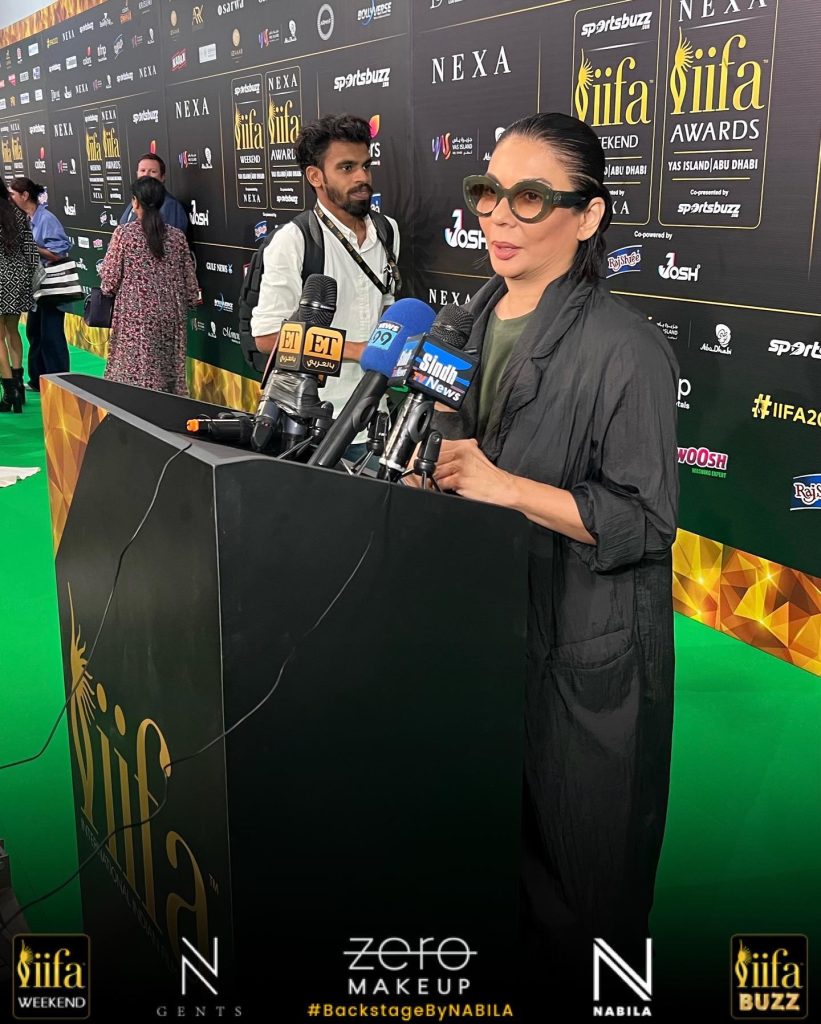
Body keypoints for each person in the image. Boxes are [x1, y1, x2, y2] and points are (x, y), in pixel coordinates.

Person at [428, 113, 678, 1006]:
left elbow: (646, 524)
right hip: (485, 637)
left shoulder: (628, 350)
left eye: (528, 197)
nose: (498, 214)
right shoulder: (460, 325)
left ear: (587, 216)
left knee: (586, 898)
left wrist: (503, 486)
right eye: (488, 192)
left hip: (590, 655)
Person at [251, 113, 400, 456]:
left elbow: (386, 301)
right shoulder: (294, 241)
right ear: (315, 176)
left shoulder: (388, 231)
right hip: (313, 423)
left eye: (366, 165)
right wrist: (359, 351)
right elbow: (268, 337)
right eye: (347, 168)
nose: (363, 178)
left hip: (375, 417)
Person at [100, 176, 199, 395]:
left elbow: (109, 281)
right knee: (168, 371)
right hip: (171, 315)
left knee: (135, 372)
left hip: (135, 317)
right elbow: (191, 287)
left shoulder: (124, 234)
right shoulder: (177, 237)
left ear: (135, 202)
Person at [9, 177, 72, 392]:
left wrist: (31, 247)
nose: (11, 199)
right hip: (36, 287)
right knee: (34, 332)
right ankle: (38, 380)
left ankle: (60, 384)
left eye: (13, 194)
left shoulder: (46, 219)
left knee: (51, 335)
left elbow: (58, 252)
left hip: (52, 286)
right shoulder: (26, 218)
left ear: (25, 195)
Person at [0, 179, 38, 412]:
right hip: (19, 275)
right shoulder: (16, 210)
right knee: (13, 330)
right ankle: (19, 386)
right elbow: (31, 249)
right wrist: (28, 276)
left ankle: (10, 392)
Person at [118, 153, 188, 233]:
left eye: (153, 171)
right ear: (137, 174)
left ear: (162, 177)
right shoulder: (135, 201)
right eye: (142, 170)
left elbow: (172, 240)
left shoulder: (171, 206)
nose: (146, 175)